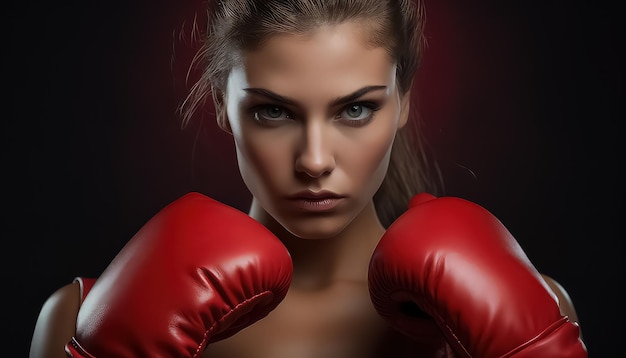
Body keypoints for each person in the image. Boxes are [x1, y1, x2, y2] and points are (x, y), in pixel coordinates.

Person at [29, 0, 588, 357]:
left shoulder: (540, 311)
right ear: (223, 107)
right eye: (273, 111)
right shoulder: (75, 324)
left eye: (355, 110)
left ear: (404, 103)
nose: (315, 160)